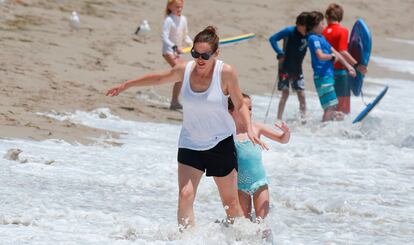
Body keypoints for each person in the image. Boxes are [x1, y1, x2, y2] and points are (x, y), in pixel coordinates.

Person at [106, 26, 266, 229]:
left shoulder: (225, 73)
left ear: (216, 53)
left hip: (220, 144)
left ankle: (244, 240)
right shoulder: (185, 70)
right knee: (185, 195)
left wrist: (249, 128)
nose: (199, 59)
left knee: (231, 203)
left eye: (205, 55)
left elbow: (240, 104)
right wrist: (127, 84)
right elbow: (159, 78)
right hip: (190, 142)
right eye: (195, 53)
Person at [228, 93, 290, 221]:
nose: (249, 112)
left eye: (250, 109)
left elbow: (282, 139)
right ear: (231, 111)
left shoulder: (256, 128)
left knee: (263, 223)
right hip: (239, 186)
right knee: (244, 225)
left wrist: (286, 132)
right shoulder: (228, 133)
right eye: (245, 108)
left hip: (259, 183)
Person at [306, 11, 356, 122]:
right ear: (314, 25)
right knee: (330, 107)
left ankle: (329, 126)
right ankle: (323, 129)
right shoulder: (313, 38)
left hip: (328, 76)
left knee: (332, 106)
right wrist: (331, 57)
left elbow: (337, 52)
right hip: (322, 77)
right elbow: (320, 55)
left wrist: (349, 66)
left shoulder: (321, 38)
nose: (324, 26)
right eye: (322, 23)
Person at [322, 3, 367, 114]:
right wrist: (357, 65)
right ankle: (340, 131)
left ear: (327, 16)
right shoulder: (343, 31)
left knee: (329, 107)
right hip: (340, 73)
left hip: (325, 73)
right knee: (342, 109)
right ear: (340, 17)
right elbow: (342, 51)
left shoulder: (322, 32)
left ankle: (325, 129)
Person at [269, 12, 309, 121]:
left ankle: (303, 119)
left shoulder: (309, 34)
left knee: (301, 94)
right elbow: (272, 39)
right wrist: (279, 52)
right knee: (285, 93)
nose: (307, 29)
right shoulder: (289, 31)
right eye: (306, 27)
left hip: (297, 68)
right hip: (284, 66)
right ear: (299, 25)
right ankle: (279, 119)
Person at [162, 0, 193, 110]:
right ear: (170, 7)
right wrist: (174, 46)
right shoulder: (169, 20)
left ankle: (175, 101)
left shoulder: (183, 19)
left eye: (180, 7)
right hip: (168, 51)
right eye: (176, 7)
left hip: (177, 52)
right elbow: (165, 37)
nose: (179, 9)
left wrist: (192, 44)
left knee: (183, 74)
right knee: (181, 74)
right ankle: (174, 102)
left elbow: (185, 36)